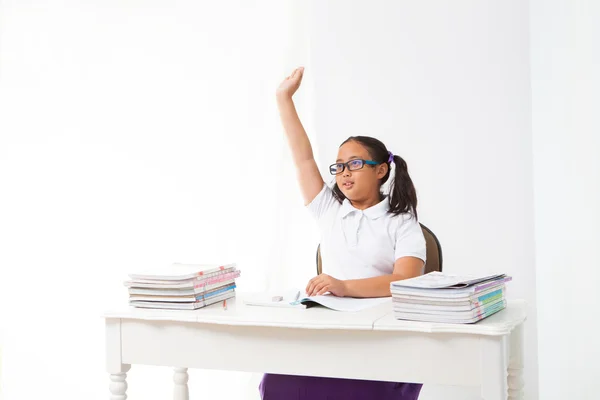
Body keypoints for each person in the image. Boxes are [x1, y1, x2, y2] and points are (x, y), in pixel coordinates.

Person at [259, 67, 426, 400]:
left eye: (354, 164)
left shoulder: (402, 222)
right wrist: (283, 99)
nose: (343, 173)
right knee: (277, 378)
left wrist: (344, 286)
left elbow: (405, 281)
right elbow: (303, 158)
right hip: (330, 332)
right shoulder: (330, 210)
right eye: (338, 166)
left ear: (381, 171)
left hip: (381, 339)